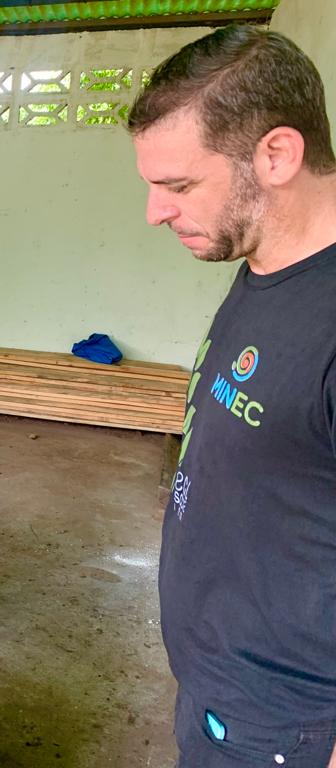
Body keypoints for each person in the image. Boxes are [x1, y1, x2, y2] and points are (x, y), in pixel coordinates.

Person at [128, 25, 336, 768]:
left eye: (179, 186)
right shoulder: (268, 265)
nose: (155, 211)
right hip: (222, 702)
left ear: (276, 155)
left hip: (286, 736)